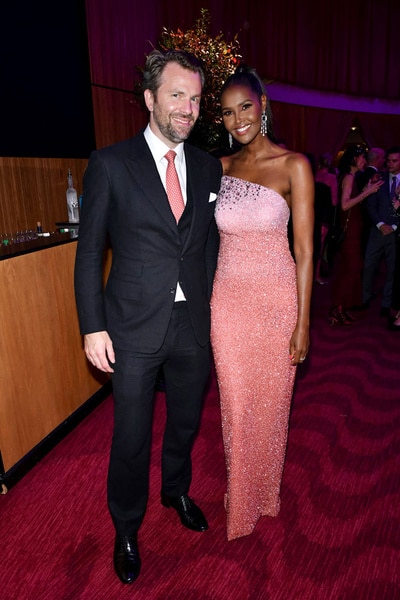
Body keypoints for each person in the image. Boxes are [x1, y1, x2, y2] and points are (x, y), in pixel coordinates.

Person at [74, 48, 222, 584]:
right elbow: (90, 252)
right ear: (149, 99)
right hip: (131, 327)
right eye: (177, 94)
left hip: (192, 327)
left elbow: (203, 249)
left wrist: (213, 314)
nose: (188, 107)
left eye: (196, 98)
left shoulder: (208, 166)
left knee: (185, 422)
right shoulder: (111, 164)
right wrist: (93, 326)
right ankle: (127, 526)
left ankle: (177, 491)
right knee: (131, 434)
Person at [210, 65, 314, 541]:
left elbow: (305, 251)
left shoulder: (295, 165)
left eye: (245, 107)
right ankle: (241, 496)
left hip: (276, 302)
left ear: (264, 103)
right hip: (227, 304)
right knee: (235, 403)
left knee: (270, 405)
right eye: (228, 113)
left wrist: (304, 323)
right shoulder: (221, 167)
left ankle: (264, 492)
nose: (237, 120)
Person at [328, 145, 382, 326]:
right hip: (349, 230)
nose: (365, 161)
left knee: (348, 269)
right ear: (354, 159)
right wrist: (367, 192)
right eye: (362, 158)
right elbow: (344, 205)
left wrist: (365, 189)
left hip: (352, 228)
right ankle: (336, 309)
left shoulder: (350, 177)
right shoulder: (349, 177)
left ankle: (342, 308)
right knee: (352, 270)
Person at [362, 146, 400, 319]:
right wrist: (380, 224)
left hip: (395, 233)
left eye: (394, 161)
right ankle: (365, 298)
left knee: (392, 270)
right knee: (369, 266)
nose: (389, 163)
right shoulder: (379, 178)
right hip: (377, 230)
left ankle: (386, 303)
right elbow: (370, 204)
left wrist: (393, 227)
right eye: (388, 160)